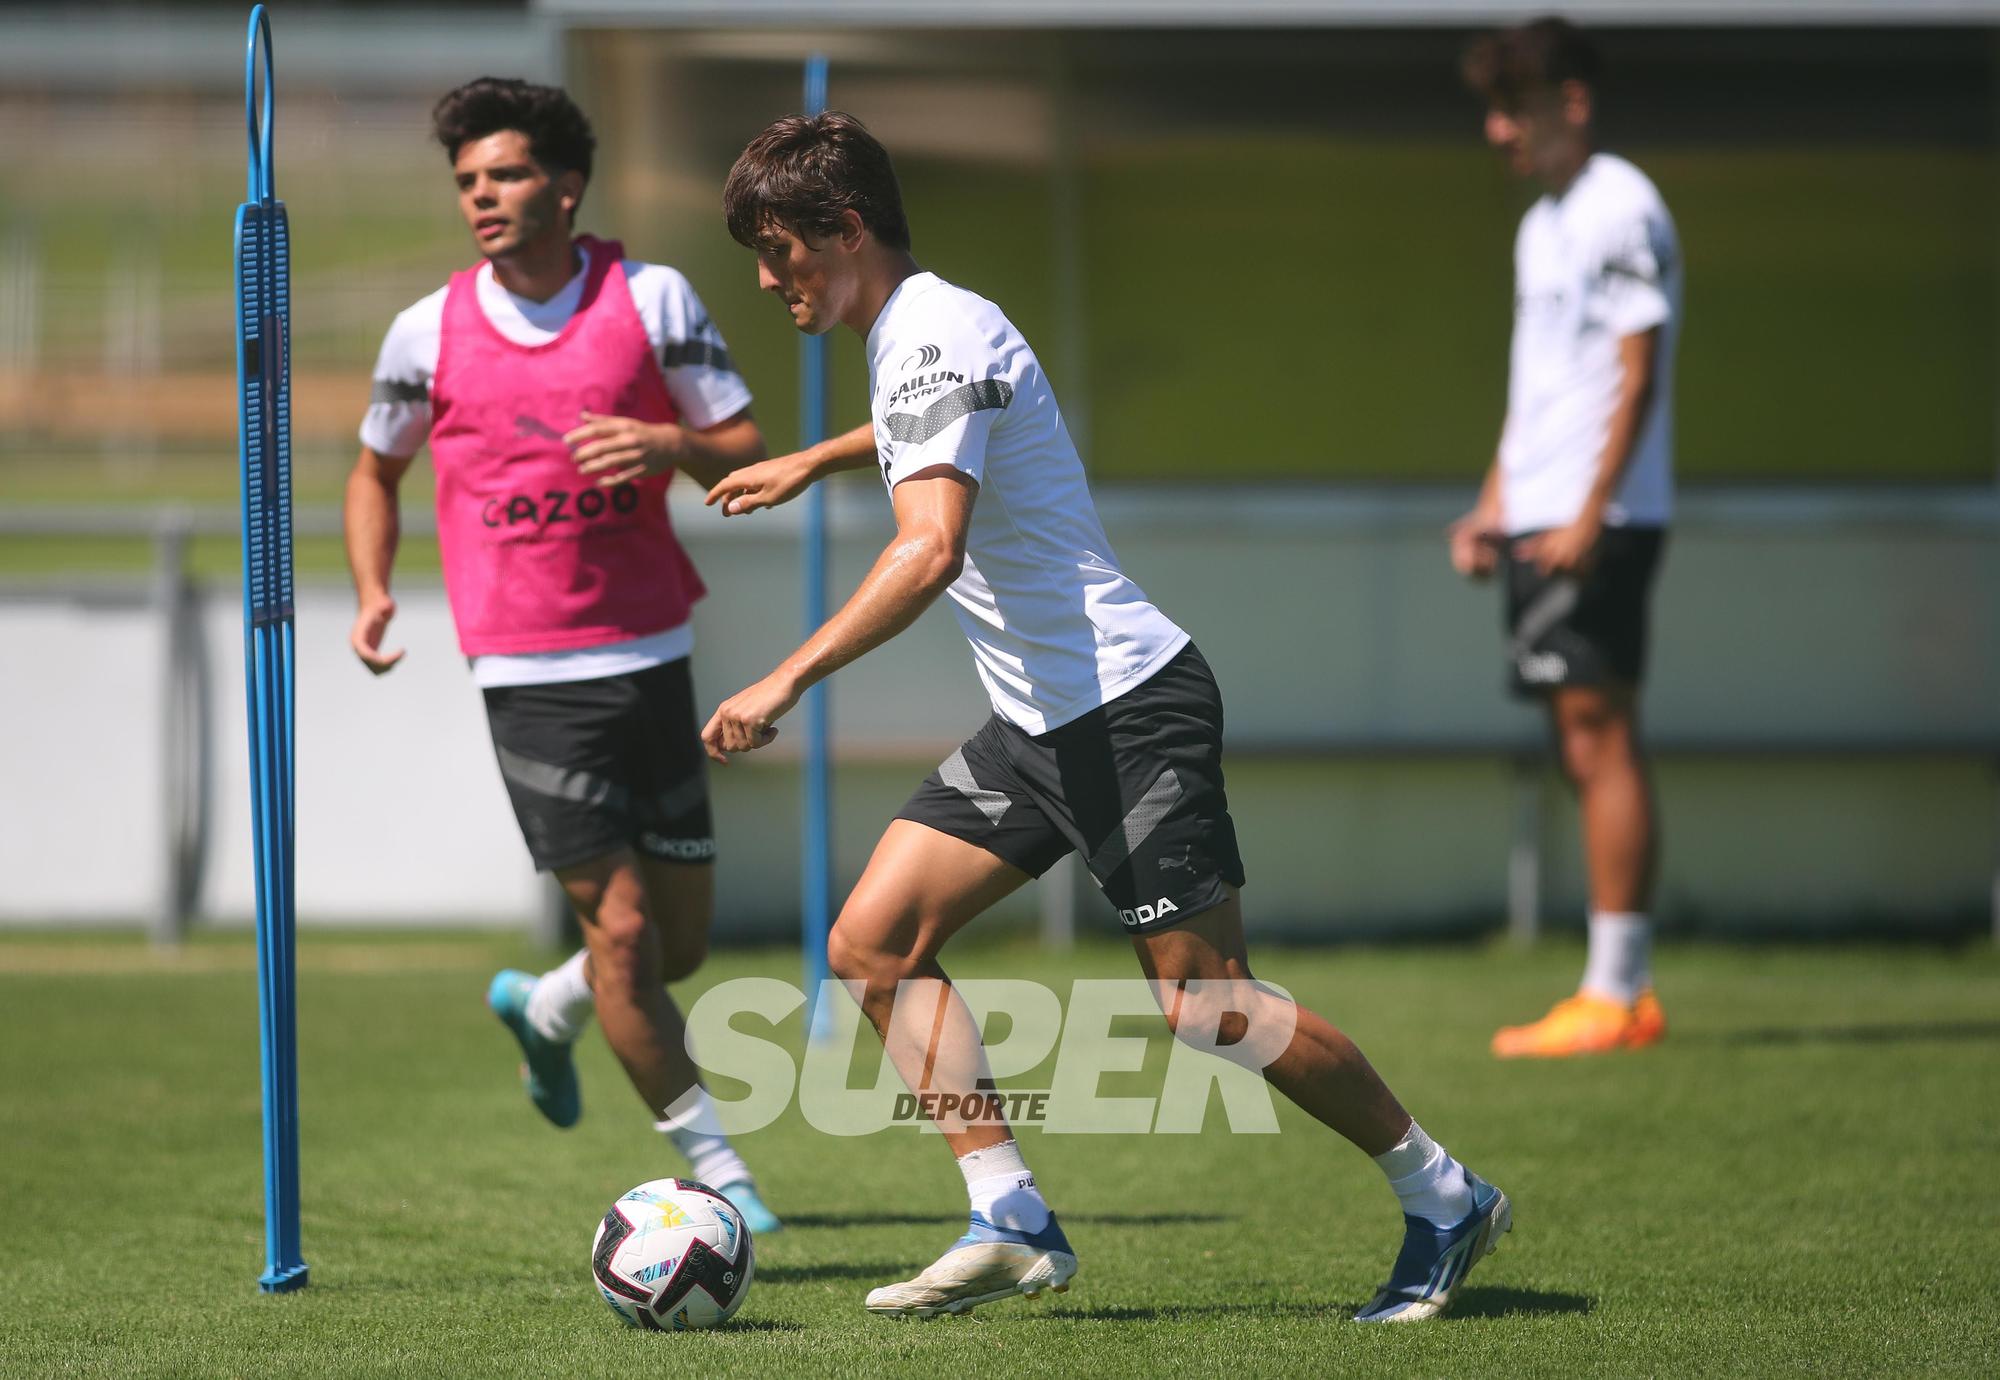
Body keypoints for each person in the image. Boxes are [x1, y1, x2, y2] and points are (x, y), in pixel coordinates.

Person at [697, 111, 1507, 1322]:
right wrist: (815, 460)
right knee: (872, 946)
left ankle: (1445, 1197)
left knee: (1207, 1006)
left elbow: (928, 553)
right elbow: (946, 423)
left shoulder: (928, 328)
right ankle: (1009, 1217)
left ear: (846, 229)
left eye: (778, 252)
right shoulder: (924, 325)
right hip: (1037, 729)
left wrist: (783, 680)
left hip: (1125, 712)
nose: (766, 280)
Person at [343, 77, 779, 1232]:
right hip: (525, 671)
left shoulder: (653, 297)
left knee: (674, 946)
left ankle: (547, 1007)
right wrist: (376, 589)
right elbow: (372, 471)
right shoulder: (423, 331)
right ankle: (722, 1179)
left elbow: (743, 451)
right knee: (625, 932)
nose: (482, 196)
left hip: (651, 652)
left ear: (565, 184)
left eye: (506, 174)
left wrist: (666, 441)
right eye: (468, 182)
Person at [1449, 18, 1681, 1060]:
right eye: (1491, 111)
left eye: (1516, 108)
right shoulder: (1539, 222)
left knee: (1598, 734)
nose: (1497, 130)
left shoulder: (1619, 204)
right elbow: (1536, 383)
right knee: (1574, 742)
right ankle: (1609, 985)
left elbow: (1638, 370)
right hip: (1543, 518)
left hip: (1601, 518)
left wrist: (1591, 509)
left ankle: (1617, 992)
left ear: (1571, 102)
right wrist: (1494, 500)